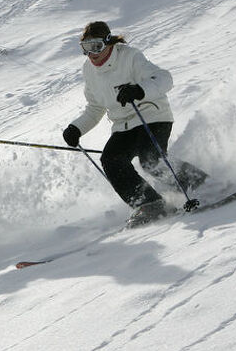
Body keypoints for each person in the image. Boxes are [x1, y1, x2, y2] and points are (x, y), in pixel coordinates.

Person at [62, 21, 210, 227]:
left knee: (150, 158)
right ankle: (151, 204)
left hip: (151, 115)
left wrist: (139, 90)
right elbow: (95, 108)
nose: (92, 54)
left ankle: (198, 183)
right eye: (85, 48)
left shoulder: (129, 56)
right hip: (123, 126)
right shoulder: (89, 70)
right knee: (111, 161)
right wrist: (76, 128)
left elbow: (165, 78)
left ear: (108, 42)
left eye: (96, 47)